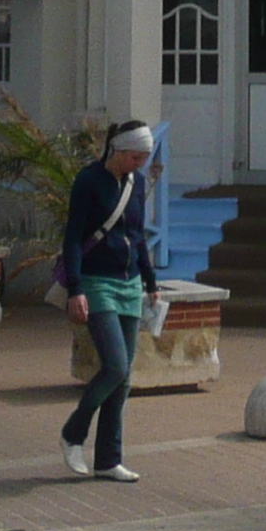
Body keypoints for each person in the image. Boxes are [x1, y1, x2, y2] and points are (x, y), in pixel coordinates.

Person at [58, 121, 159, 484]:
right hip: (96, 283)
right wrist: (75, 288)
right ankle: (73, 433)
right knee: (114, 366)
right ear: (117, 150)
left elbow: (138, 237)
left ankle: (107, 459)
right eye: (135, 157)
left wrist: (150, 282)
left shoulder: (137, 185)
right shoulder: (89, 182)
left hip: (129, 283)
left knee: (124, 379)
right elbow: (72, 238)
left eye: (144, 159)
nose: (139, 164)